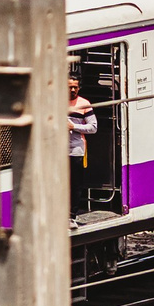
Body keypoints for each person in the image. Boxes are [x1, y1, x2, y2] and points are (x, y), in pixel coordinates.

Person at [67, 76, 97, 217]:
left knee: (75, 184)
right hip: (57, 150)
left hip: (76, 150)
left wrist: (74, 127)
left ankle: (72, 214)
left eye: (75, 87)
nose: (73, 90)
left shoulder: (84, 104)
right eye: (70, 87)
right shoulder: (56, 101)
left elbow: (93, 127)